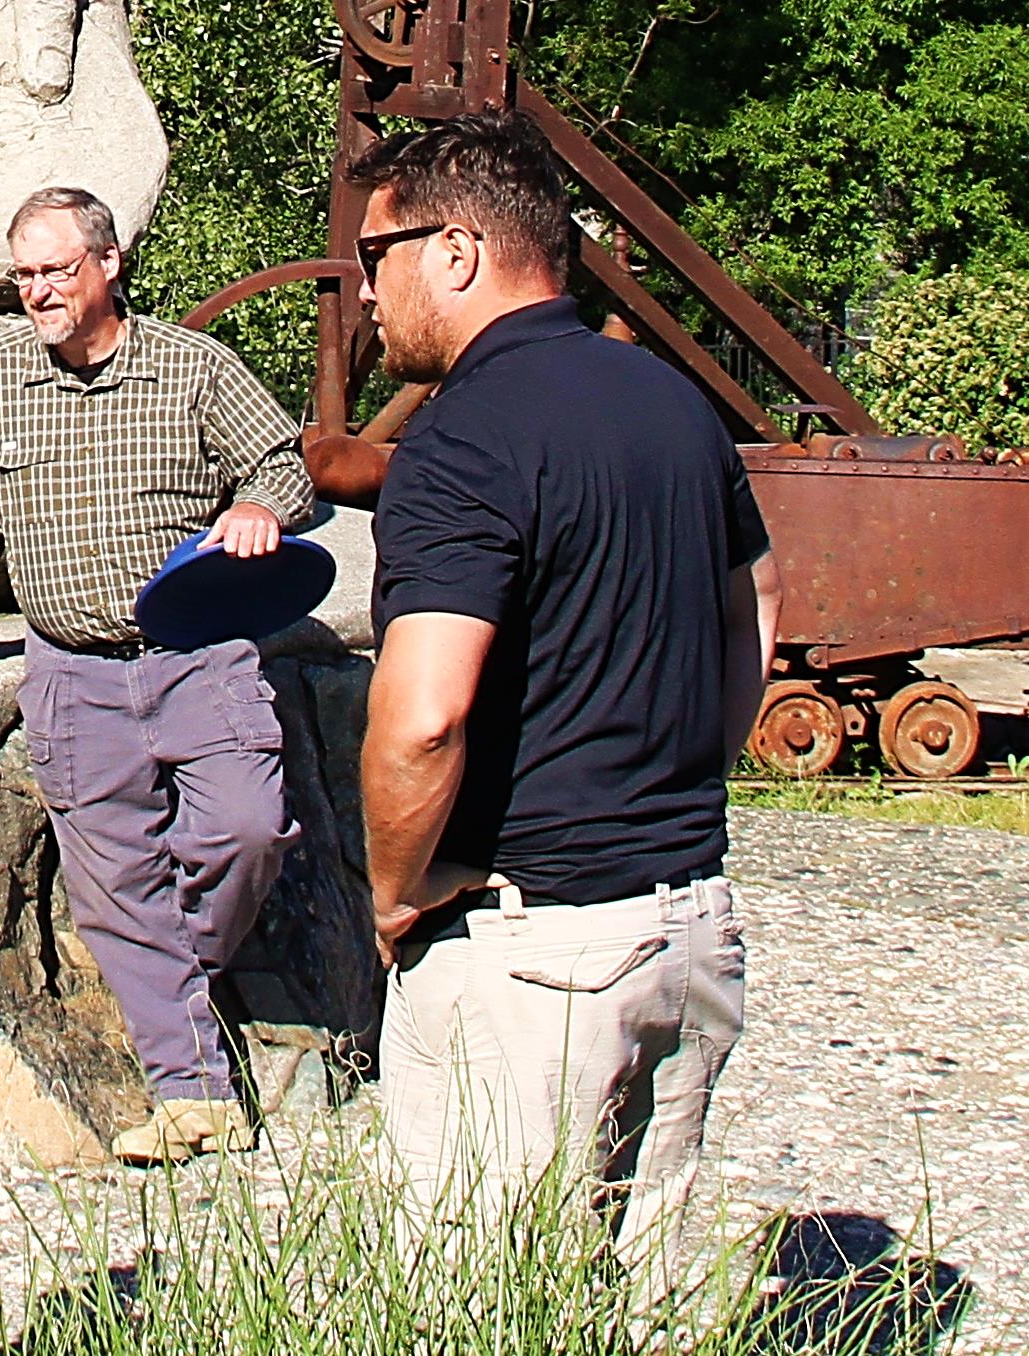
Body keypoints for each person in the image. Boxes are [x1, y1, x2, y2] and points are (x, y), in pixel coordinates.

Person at [355, 111, 778, 1285]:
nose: (368, 293)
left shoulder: (461, 442)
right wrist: (679, 768)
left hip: (532, 952)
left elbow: (424, 714)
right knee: (645, 1294)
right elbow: (759, 601)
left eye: (375, 258)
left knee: (479, 1293)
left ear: (456, 252)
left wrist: (396, 891)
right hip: (688, 924)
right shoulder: (673, 406)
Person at [0, 185, 314, 1166]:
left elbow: (284, 465)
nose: (37, 291)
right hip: (69, 671)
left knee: (248, 827)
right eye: (23, 274)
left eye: (55, 269)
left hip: (196, 652)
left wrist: (261, 509)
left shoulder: (194, 369)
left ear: (108, 264)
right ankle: (195, 1093)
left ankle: (166, 987)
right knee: (112, 886)